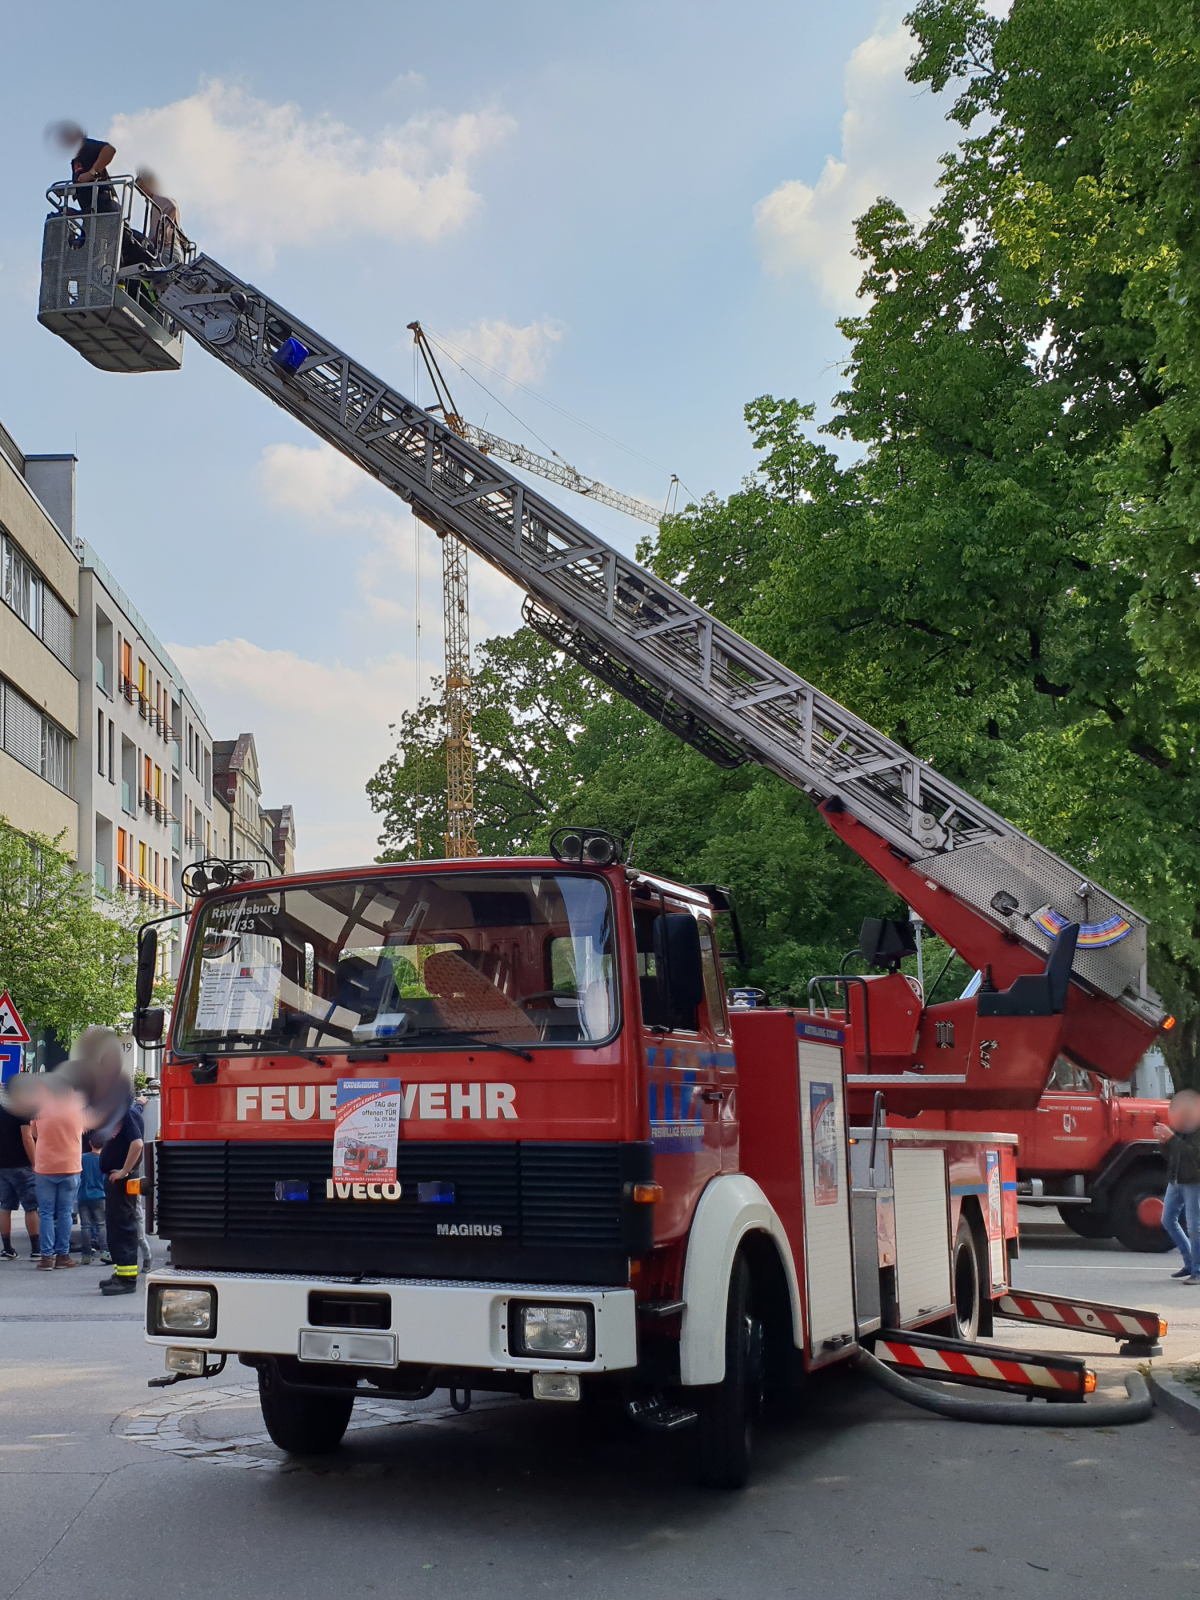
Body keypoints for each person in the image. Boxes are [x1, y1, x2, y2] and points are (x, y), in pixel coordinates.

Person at [30, 1077, 85, 1270]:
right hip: (70, 1166)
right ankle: (63, 1256)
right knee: (65, 1213)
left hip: (45, 1167)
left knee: (45, 1213)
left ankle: (46, 1258)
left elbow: (34, 1133)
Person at [97, 1094, 144, 1295]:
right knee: (116, 1227)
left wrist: (124, 1171)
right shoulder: (126, 1113)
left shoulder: (128, 1114)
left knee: (123, 1227)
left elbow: (137, 1144)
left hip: (122, 1180)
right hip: (117, 1179)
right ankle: (120, 1273)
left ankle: (127, 1279)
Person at [1154, 1088, 1200, 1282]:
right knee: (1167, 1220)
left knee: (1194, 1226)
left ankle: (1197, 1271)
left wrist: (1171, 1138)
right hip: (1176, 1180)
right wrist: (1164, 1142)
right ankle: (1190, 1263)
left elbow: (1194, 1155)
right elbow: (1171, 1156)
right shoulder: (1181, 1128)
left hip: (1194, 1182)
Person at [0, 1084, 40, 1261]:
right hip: (22, 1165)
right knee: (31, 1207)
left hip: (2, 1165)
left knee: (5, 1206)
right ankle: (36, 1249)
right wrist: (35, 1162)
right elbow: (27, 1137)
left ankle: (7, 1248)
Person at [50, 120, 118, 214]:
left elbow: (109, 150)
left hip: (105, 204)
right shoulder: (76, 160)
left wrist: (92, 173)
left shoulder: (84, 146)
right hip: (91, 210)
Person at [77, 1135, 107, 1265]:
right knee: (101, 1225)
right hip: (100, 1195)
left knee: (85, 1226)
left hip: (83, 1195)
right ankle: (105, 1251)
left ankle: (86, 1254)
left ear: (89, 1143)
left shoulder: (82, 1158)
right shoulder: (104, 1160)